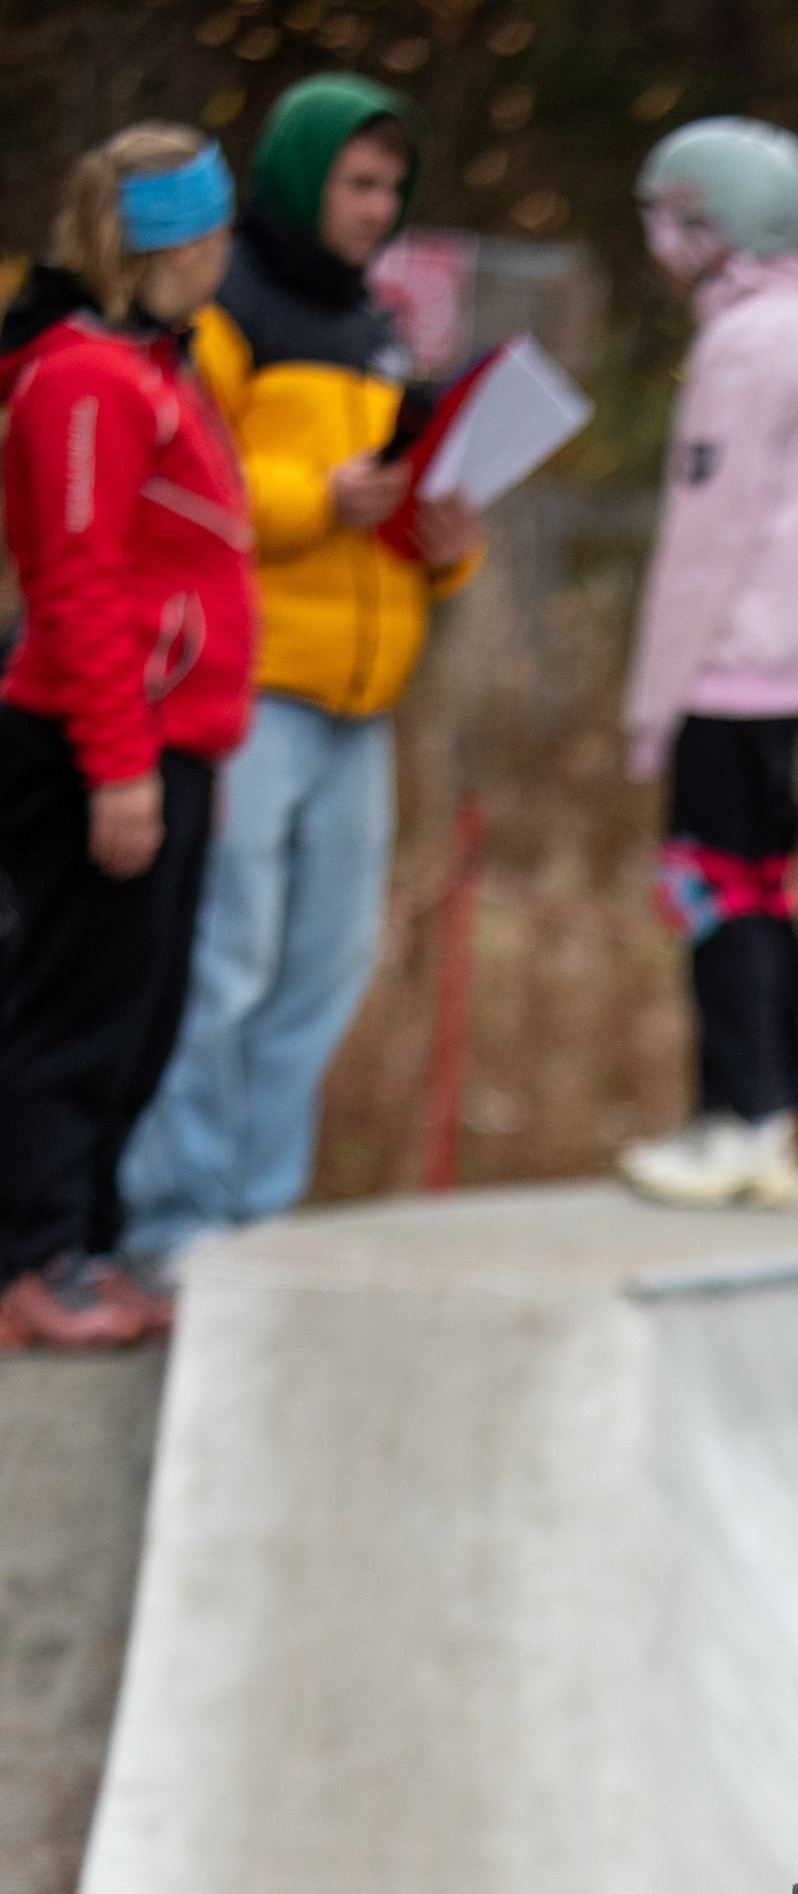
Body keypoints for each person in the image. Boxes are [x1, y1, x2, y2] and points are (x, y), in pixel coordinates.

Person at [118, 78, 481, 1272]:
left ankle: (258, 1218)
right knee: (221, 967)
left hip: (360, 708)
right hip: (250, 692)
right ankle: (174, 1222)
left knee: (320, 974)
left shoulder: (381, 329)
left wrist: (446, 535)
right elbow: (183, 489)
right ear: (298, 175)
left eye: (393, 189)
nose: (378, 209)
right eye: (357, 183)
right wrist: (316, 500)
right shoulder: (223, 312)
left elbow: (413, 513)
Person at [0, 130, 253, 1352]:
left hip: (173, 744)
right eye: (202, 237)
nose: (221, 256)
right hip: (97, 744)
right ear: (154, 245)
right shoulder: (81, 377)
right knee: (75, 1008)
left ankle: (85, 1240)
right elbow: (78, 585)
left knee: (139, 1015)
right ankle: (32, 1255)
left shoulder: (162, 365)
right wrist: (118, 767)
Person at [615, 117, 798, 1213]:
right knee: (762, 886)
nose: (663, 242)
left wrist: (651, 700)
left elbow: (701, 542)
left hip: (730, 669)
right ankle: (772, 1105)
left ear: (719, 228)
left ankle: (742, 1117)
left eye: (676, 221)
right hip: (791, 665)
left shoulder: (745, 345)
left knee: (711, 890)